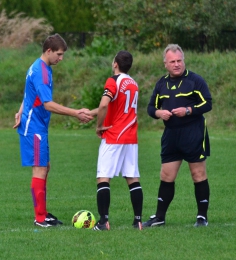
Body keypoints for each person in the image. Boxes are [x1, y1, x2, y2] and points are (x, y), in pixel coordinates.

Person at [13, 33, 93, 228]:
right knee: (39, 169)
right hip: (34, 128)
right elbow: (48, 104)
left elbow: (27, 94)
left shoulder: (42, 67)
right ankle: (40, 218)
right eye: (58, 54)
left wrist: (20, 111)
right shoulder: (40, 72)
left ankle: (43, 213)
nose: (61, 58)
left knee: (44, 167)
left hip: (37, 125)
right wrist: (76, 113)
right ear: (48, 51)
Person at [143, 44, 212, 228]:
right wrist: (159, 114)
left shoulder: (195, 81)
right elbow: (151, 108)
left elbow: (207, 103)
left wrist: (188, 110)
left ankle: (202, 217)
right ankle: (159, 217)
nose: (176, 64)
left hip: (193, 133)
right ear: (165, 64)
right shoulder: (161, 83)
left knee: (198, 174)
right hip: (171, 135)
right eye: (172, 61)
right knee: (166, 175)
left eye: (179, 60)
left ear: (184, 60)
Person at [90, 50, 143, 231]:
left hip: (114, 136)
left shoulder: (113, 81)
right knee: (132, 177)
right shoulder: (133, 83)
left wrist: (99, 126)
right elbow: (118, 107)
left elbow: (105, 103)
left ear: (115, 64)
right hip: (131, 137)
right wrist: (91, 112)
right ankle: (138, 221)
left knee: (103, 177)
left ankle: (103, 221)